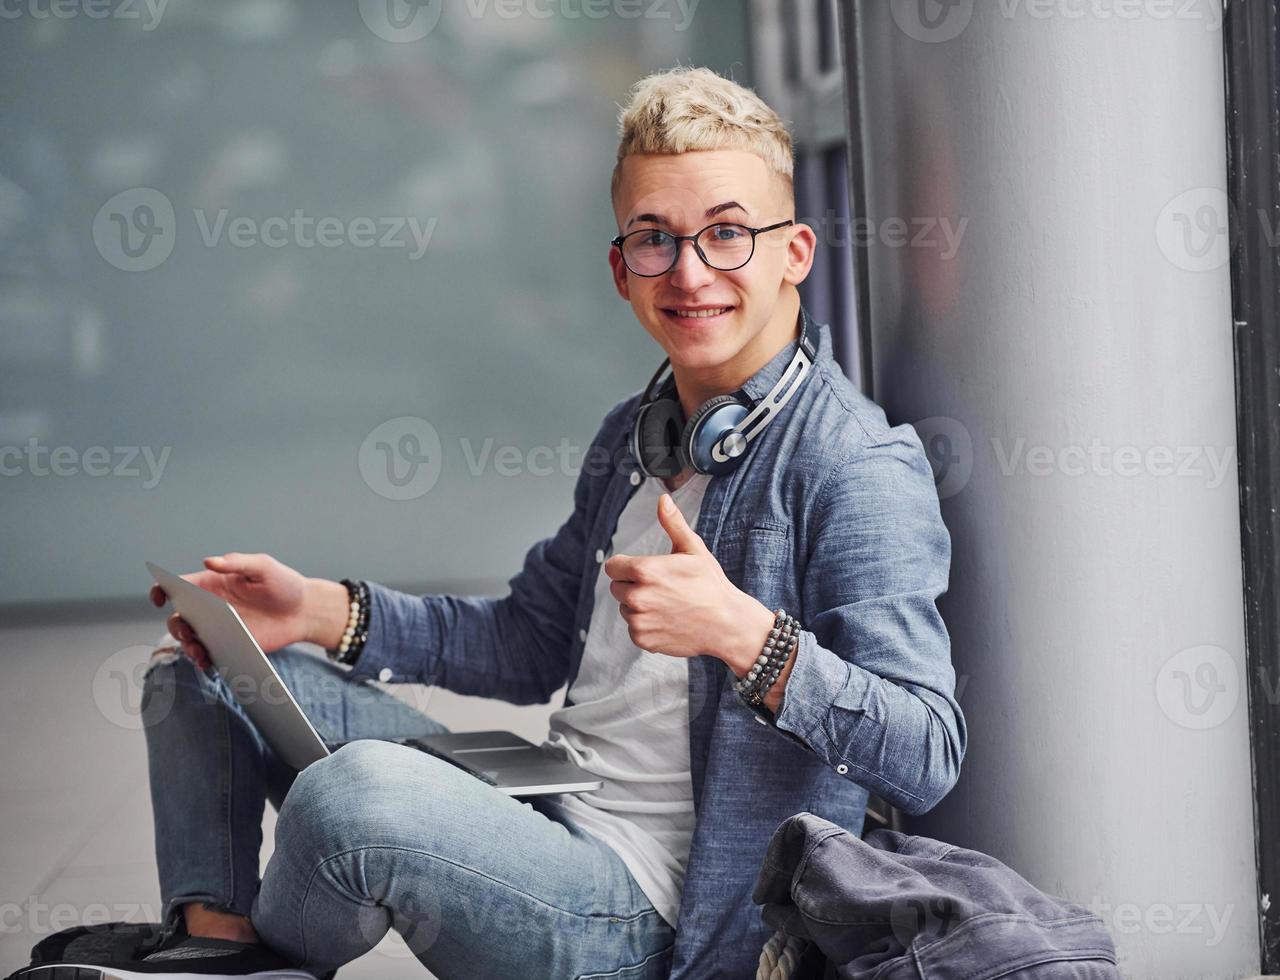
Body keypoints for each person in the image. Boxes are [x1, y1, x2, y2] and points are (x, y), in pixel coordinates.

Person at [130, 66, 965, 980]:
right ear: (620, 267)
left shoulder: (853, 467)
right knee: (205, 673)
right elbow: (529, 642)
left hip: (660, 920)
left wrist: (746, 639)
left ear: (795, 252)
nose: (690, 273)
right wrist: (323, 609)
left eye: (728, 234)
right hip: (547, 815)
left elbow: (926, 752)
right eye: (655, 239)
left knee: (350, 801)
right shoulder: (635, 434)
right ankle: (210, 943)